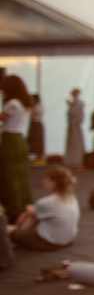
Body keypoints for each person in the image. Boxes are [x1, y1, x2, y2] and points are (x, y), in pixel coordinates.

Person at [10, 166, 80, 251]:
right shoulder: (72, 198)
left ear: (53, 183)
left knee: (8, 229)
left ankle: (18, 232)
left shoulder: (46, 202)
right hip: (69, 240)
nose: (43, 182)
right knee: (34, 213)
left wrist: (28, 213)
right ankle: (20, 232)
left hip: (49, 243)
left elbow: (31, 215)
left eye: (46, 180)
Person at [0, 74, 34, 223]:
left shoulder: (11, 104)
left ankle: (13, 209)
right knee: (21, 175)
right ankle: (24, 206)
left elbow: (2, 119)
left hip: (10, 140)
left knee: (9, 176)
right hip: (21, 140)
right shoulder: (25, 103)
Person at [65, 88, 85, 168]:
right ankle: (70, 161)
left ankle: (78, 161)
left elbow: (80, 115)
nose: (74, 95)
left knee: (77, 143)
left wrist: (76, 122)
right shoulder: (72, 103)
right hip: (71, 126)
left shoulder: (80, 103)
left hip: (76, 126)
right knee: (71, 144)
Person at [27, 94, 45, 163]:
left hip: (36, 124)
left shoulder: (38, 107)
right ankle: (34, 157)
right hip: (33, 124)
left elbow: (34, 114)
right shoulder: (35, 106)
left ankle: (39, 157)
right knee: (31, 140)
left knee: (37, 140)